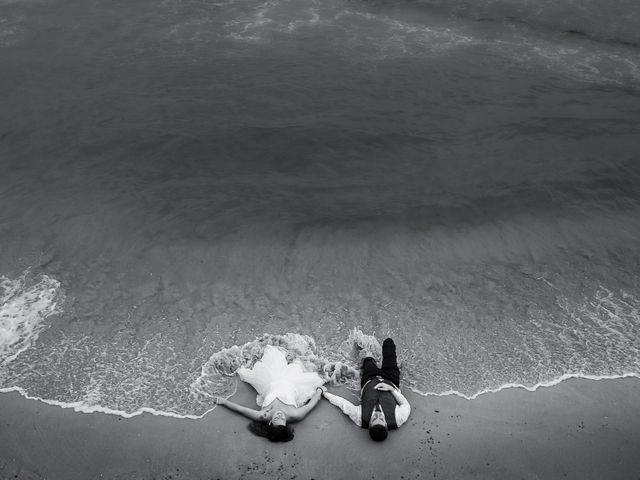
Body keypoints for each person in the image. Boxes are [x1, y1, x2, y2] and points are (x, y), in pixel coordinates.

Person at [214, 345, 326, 442]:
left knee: (256, 361)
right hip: (293, 382)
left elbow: (241, 410)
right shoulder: (295, 415)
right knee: (302, 363)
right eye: (282, 420)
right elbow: (310, 405)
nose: (280, 416)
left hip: (269, 381)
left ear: (270, 423)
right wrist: (319, 391)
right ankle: (291, 360)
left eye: (277, 419)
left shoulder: (263, 416)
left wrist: (224, 402)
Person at [322, 338, 410, 441]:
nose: (377, 415)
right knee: (388, 343)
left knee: (367, 358)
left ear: (370, 424)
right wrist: (391, 389)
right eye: (381, 419)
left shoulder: (359, 417)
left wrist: (324, 393)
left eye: (374, 419)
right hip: (390, 379)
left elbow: (342, 403)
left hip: (369, 378)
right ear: (386, 424)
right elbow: (406, 405)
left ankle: (361, 343)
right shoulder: (399, 418)